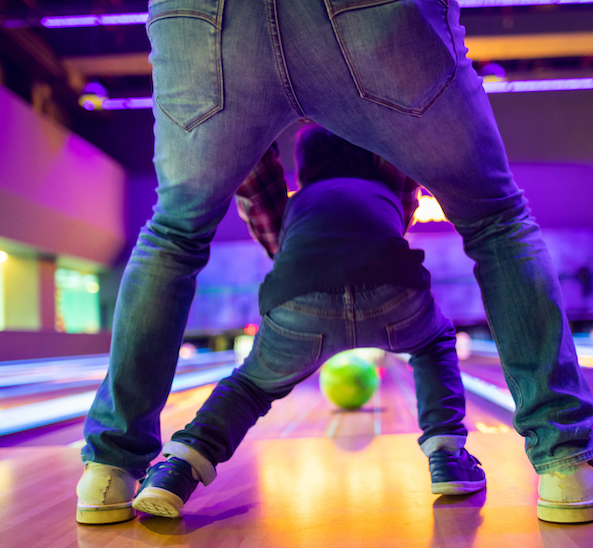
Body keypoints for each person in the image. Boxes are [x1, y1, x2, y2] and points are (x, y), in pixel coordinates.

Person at [76, 0, 593, 527]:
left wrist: (300, 268)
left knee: (175, 234)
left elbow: (258, 193)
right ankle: (556, 461)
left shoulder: (300, 202)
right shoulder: (383, 186)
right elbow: (403, 192)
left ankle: (115, 468)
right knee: (494, 219)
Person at [125, 126, 486, 518]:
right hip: (395, 291)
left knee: (248, 388)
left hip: (298, 299)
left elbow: (261, 201)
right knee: (433, 343)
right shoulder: (390, 190)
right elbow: (401, 159)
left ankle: (176, 471)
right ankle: (448, 455)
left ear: (306, 167)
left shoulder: (295, 205)